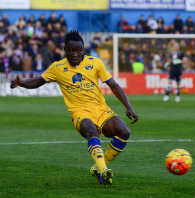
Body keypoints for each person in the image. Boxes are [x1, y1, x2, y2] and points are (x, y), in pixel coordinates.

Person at [10, 31, 138, 187]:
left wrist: (128, 107)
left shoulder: (95, 63)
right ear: (64, 49)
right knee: (92, 131)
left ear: (83, 49)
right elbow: (37, 82)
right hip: (80, 112)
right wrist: (21, 83)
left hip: (100, 109)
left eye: (79, 51)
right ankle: (104, 170)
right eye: (71, 50)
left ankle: (98, 167)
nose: (75, 54)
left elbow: (113, 85)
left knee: (124, 132)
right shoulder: (57, 67)